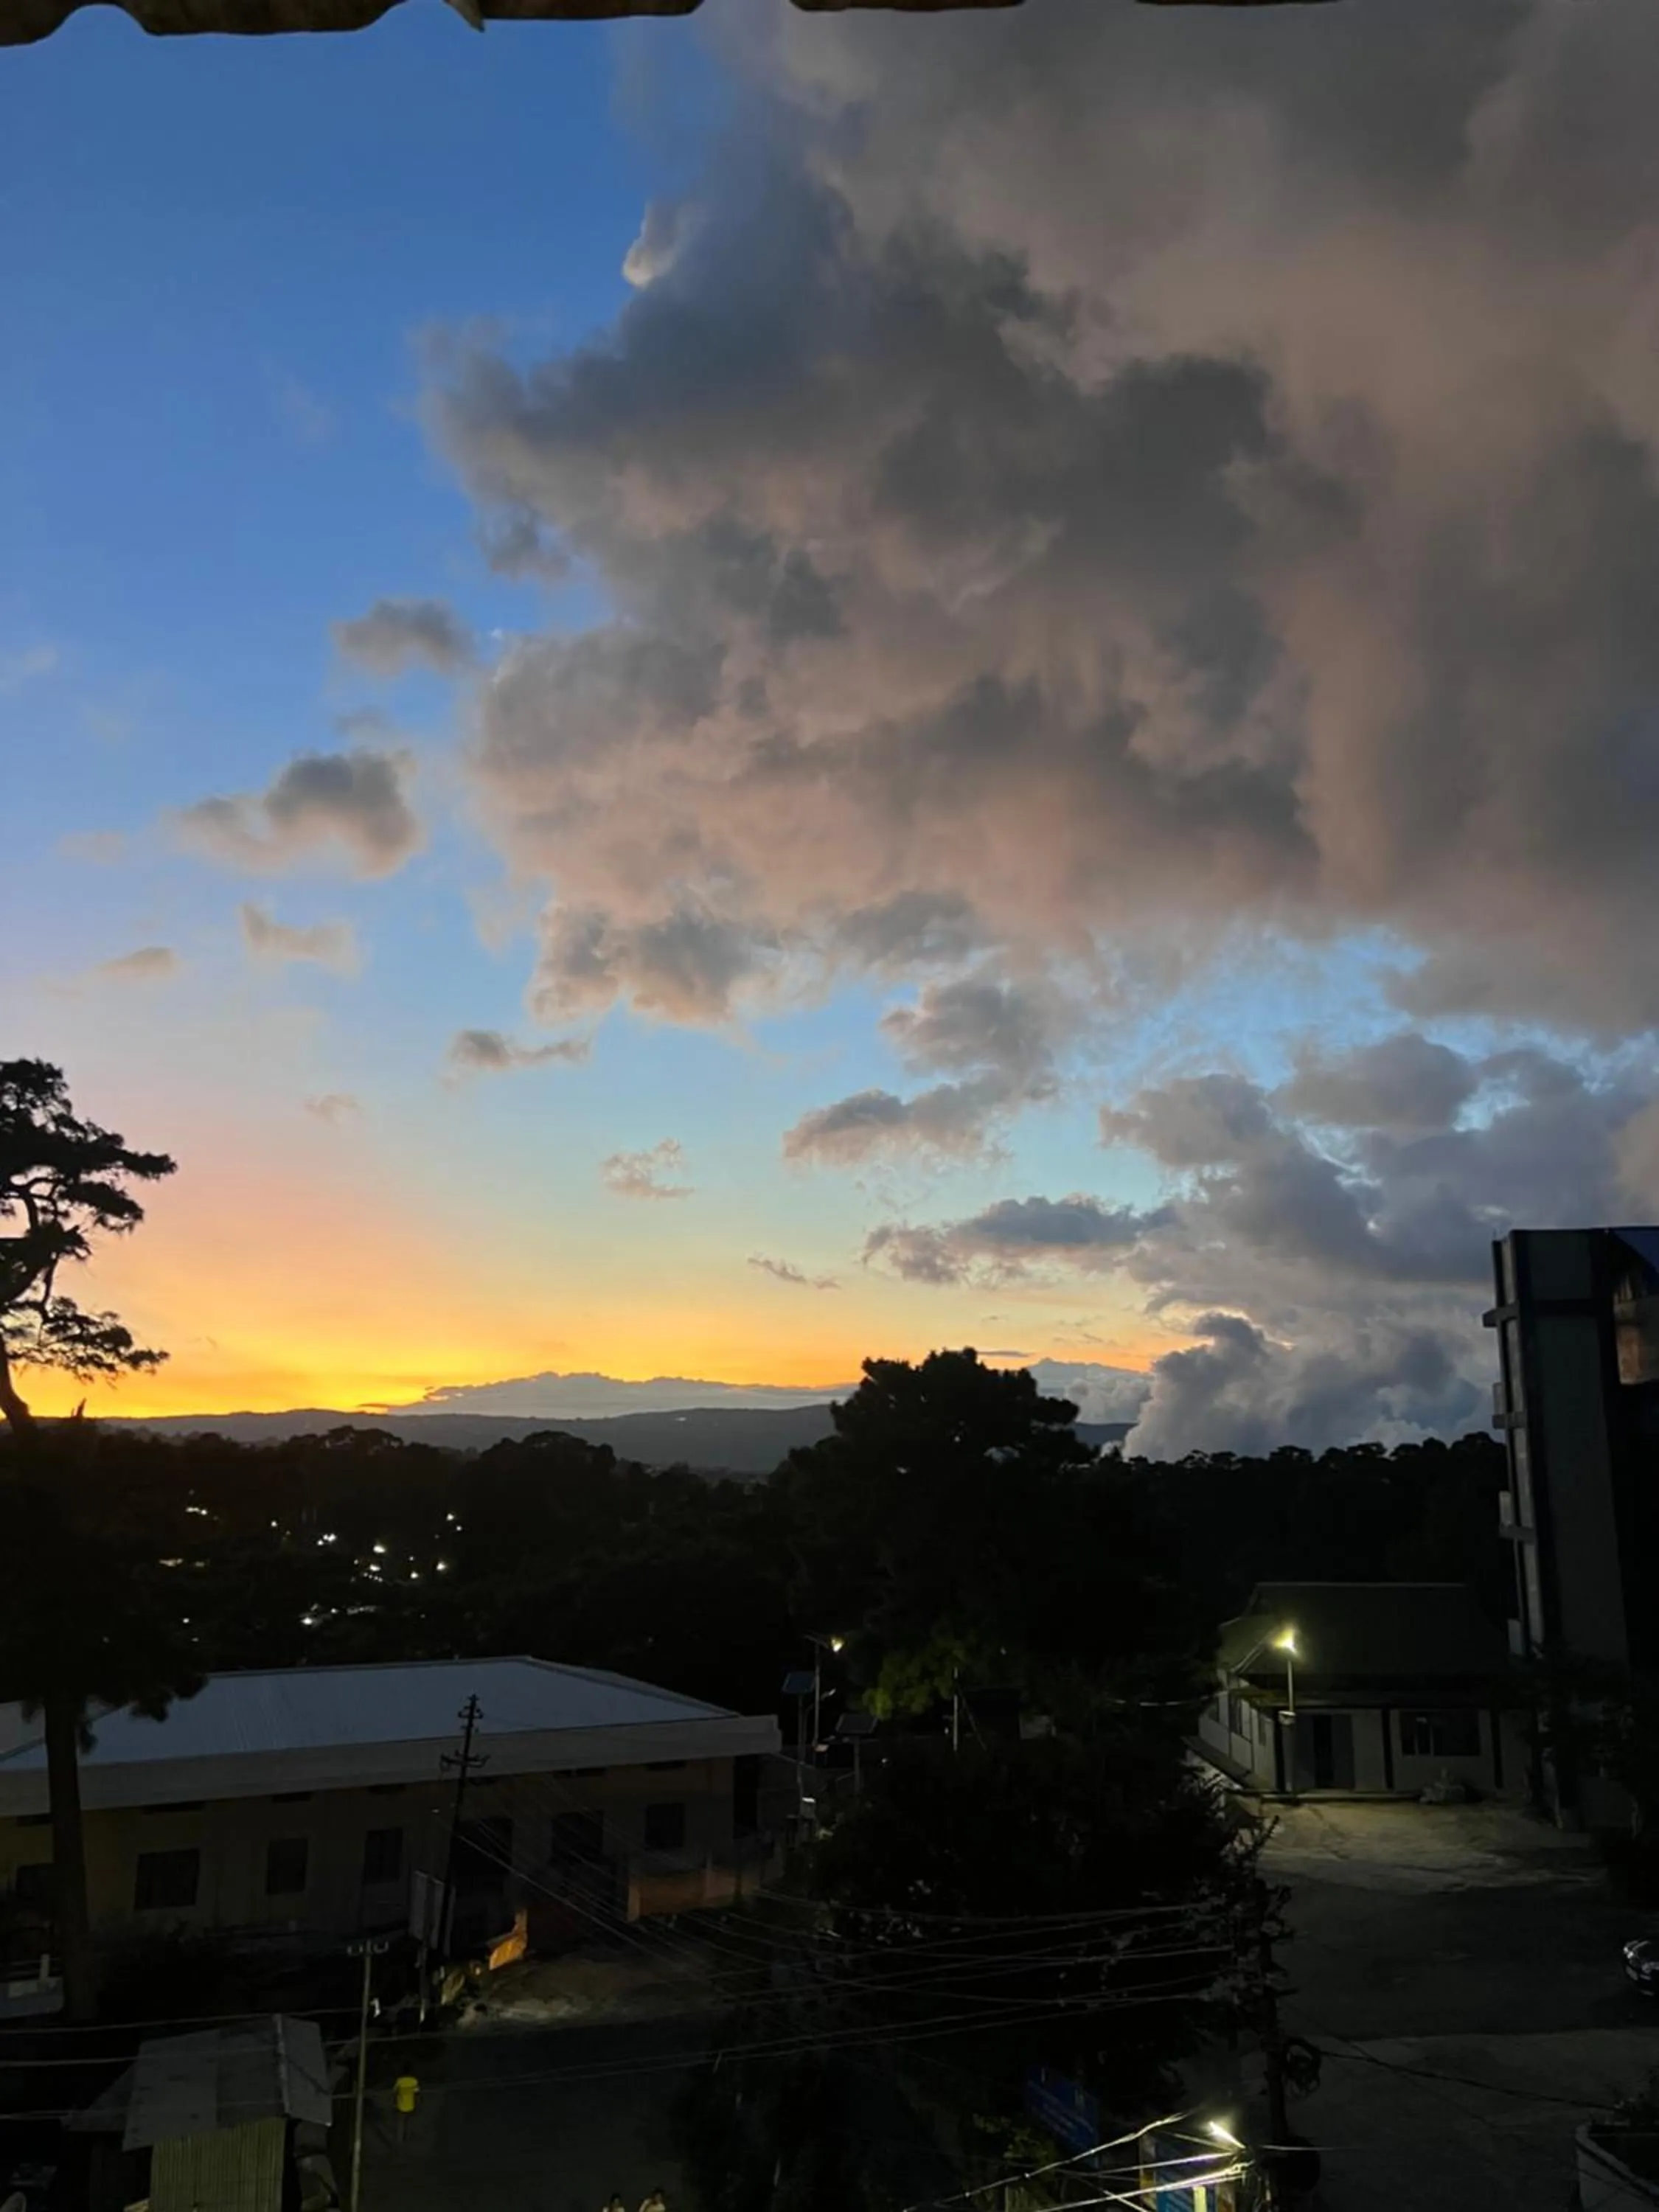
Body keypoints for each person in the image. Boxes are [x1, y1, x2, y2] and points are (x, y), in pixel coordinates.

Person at [392, 2069, 420, 2145]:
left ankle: (400, 2140)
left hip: (401, 2105)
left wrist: (395, 2103)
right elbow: (417, 2093)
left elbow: (395, 2092)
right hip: (411, 2105)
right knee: (409, 2123)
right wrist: (417, 2104)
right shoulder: (414, 2081)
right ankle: (408, 2138)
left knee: (401, 2123)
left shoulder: (400, 2081)